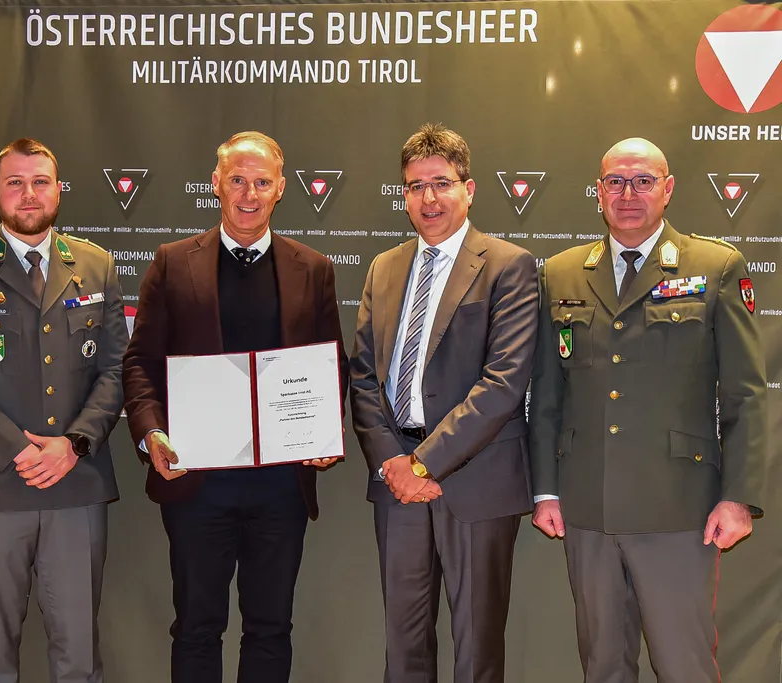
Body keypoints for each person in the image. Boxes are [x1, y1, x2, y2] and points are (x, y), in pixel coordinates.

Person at [528, 137, 766, 683]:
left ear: (668, 188)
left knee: (684, 666)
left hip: (677, 509)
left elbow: (745, 394)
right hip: (588, 506)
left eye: (643, 181)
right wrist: (545, 490)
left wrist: (737, 497)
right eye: (615, 182)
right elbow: (547, 393)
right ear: (598, 192)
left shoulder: (715, 266)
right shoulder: (561, 273)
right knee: (603, 665)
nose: (628, 194)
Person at [122, 131, 348, 683]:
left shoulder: (314, 267)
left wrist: (324, 431)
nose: (249, 194)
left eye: (262, 182)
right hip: (197, 482)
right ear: (216, 184)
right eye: (238, 180)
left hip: (280, 484)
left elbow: (332, 365)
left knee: (270, 629)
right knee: (196, 628)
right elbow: (140, 363)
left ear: (281, 188)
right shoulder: (172, 262)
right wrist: (151, 434)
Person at [0, 138, 128, 683]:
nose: (29, 193)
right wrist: (20, 450)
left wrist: (73, 444)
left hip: (76, 482)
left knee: (78, 654)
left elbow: (115, 371)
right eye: (15, 183)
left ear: (58, 190)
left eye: (40, 181)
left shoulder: (96, 266)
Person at [350, 123, 538, 683]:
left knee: (477, 653)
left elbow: (503, 382)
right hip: (396, 483)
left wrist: (424, 465)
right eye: (415, 187)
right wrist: (393, 461)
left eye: (441, 183)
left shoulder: (509, 265)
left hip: (474, 481)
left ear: (469, 189)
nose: (428, 198)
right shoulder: (384, 267)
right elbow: (364, 376)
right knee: (403, 650)